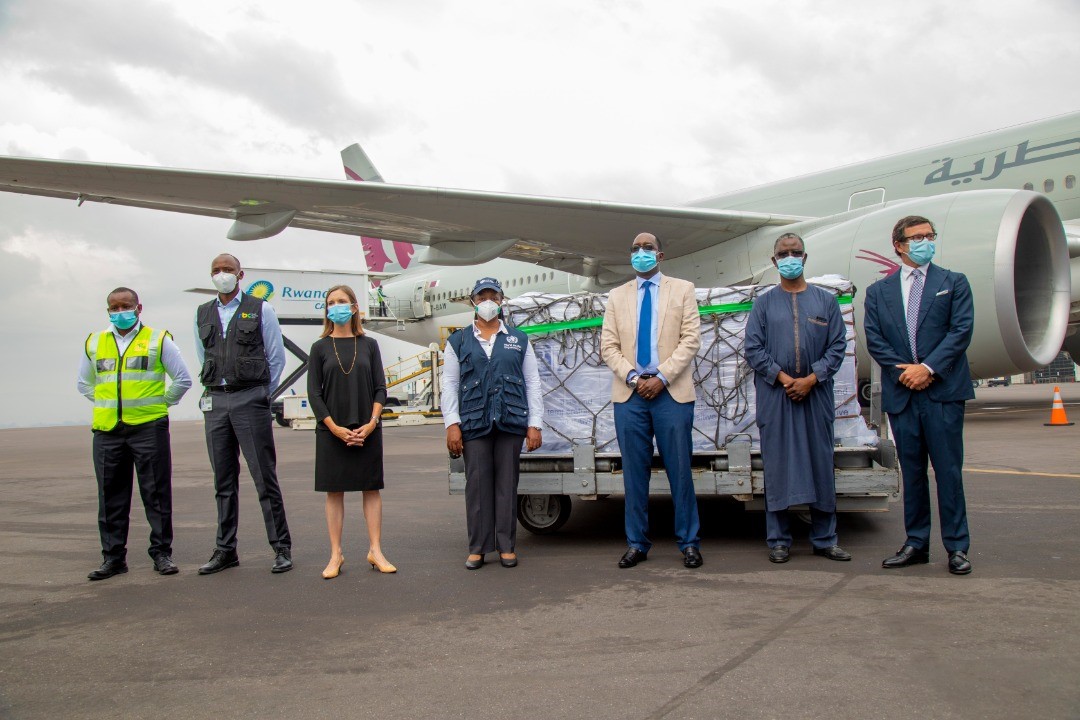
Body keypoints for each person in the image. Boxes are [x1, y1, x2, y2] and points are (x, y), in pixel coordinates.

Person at [863, 216, 975, 575]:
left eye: (930, 236)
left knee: (948, 472)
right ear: (899, 245)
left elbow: (960, 331)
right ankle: (916, 543)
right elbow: (875, 339)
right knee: (912, 473)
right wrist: (906, 371)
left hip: (942, 391)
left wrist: (927, 368)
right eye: (917, 237)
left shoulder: (953, 282)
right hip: (903, 394)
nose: (925, 241)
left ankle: (957, 547)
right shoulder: (879, 292)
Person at [744, 233, 851, 564]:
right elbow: (753, 348)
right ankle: (778, 539)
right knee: (778, 464)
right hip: (776, 395)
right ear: (775, 261)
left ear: (805, 258)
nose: (790, 257)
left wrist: (811, 378)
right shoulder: (763, 303)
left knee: (820, 462)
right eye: (783, 253)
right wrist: (785, 378)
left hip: (816, 395)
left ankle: (825, 538)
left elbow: (836, 346)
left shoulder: (825, 302)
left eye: (795, 252)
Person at [600, 233, 703, 569]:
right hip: (630, 395)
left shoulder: (682, 289)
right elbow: (608, 347)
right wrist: (633, 377)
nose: (640, 253)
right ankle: (637, 543)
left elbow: (690, 340)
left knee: (680, 472)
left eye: (646, 248)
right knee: (634, 474)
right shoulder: (617, 296)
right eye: (634, 248)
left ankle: (689, 542)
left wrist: (661, 377)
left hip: (670, 393)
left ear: (659, 255)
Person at [77, 287, 191, 580]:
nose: (120, 312)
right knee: (110, 496)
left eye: (125, 306)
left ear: (138, 308)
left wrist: (159, 404)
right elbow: (85, 383)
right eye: (113, 308)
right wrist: (111, 405)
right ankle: (113, 558)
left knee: (156, 492)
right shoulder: (95, 341)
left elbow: (182, 379)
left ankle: (162, 554)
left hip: (148, 427)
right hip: (107, 430)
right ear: (108, 312)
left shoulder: (158, 339)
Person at [194, 253, 292, 575]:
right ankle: (225, 550)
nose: (222, 275)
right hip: (216, 402)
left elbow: (276, 357)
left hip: (250, 398)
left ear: (240, 274)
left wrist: (262, 393)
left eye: (228, 270)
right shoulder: (203, 313)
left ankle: (281, 548)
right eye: (216, 271)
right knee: (223, 480)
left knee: (264, 477)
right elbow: (203, 355)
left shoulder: (261, 309)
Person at [442, 277, 543, 570]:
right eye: (482, 295)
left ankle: (507, 546)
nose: (488, 300)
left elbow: (533, 382)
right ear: (473, 301)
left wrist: (534, 423)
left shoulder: (519, 339)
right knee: (477, 485)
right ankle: (478, 547)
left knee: (507, 485)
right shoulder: (457, 341)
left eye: (493, 295)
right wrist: (452, 423)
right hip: (474, 422)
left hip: (510, 421)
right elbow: (449, 384)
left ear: (501, 300)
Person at [307, 285, 396, 578]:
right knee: (335, 492)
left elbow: (380, 388)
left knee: (371, 489)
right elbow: (315, 394)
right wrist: (334, 428)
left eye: (342, 302)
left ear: (355, 307)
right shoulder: (319, 348)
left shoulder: (369, 344)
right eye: (331, 302)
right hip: (333, 431)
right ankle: (336, 554)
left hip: (367, 428)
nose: (336, 307)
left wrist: (371, 423)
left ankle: (376, 550)